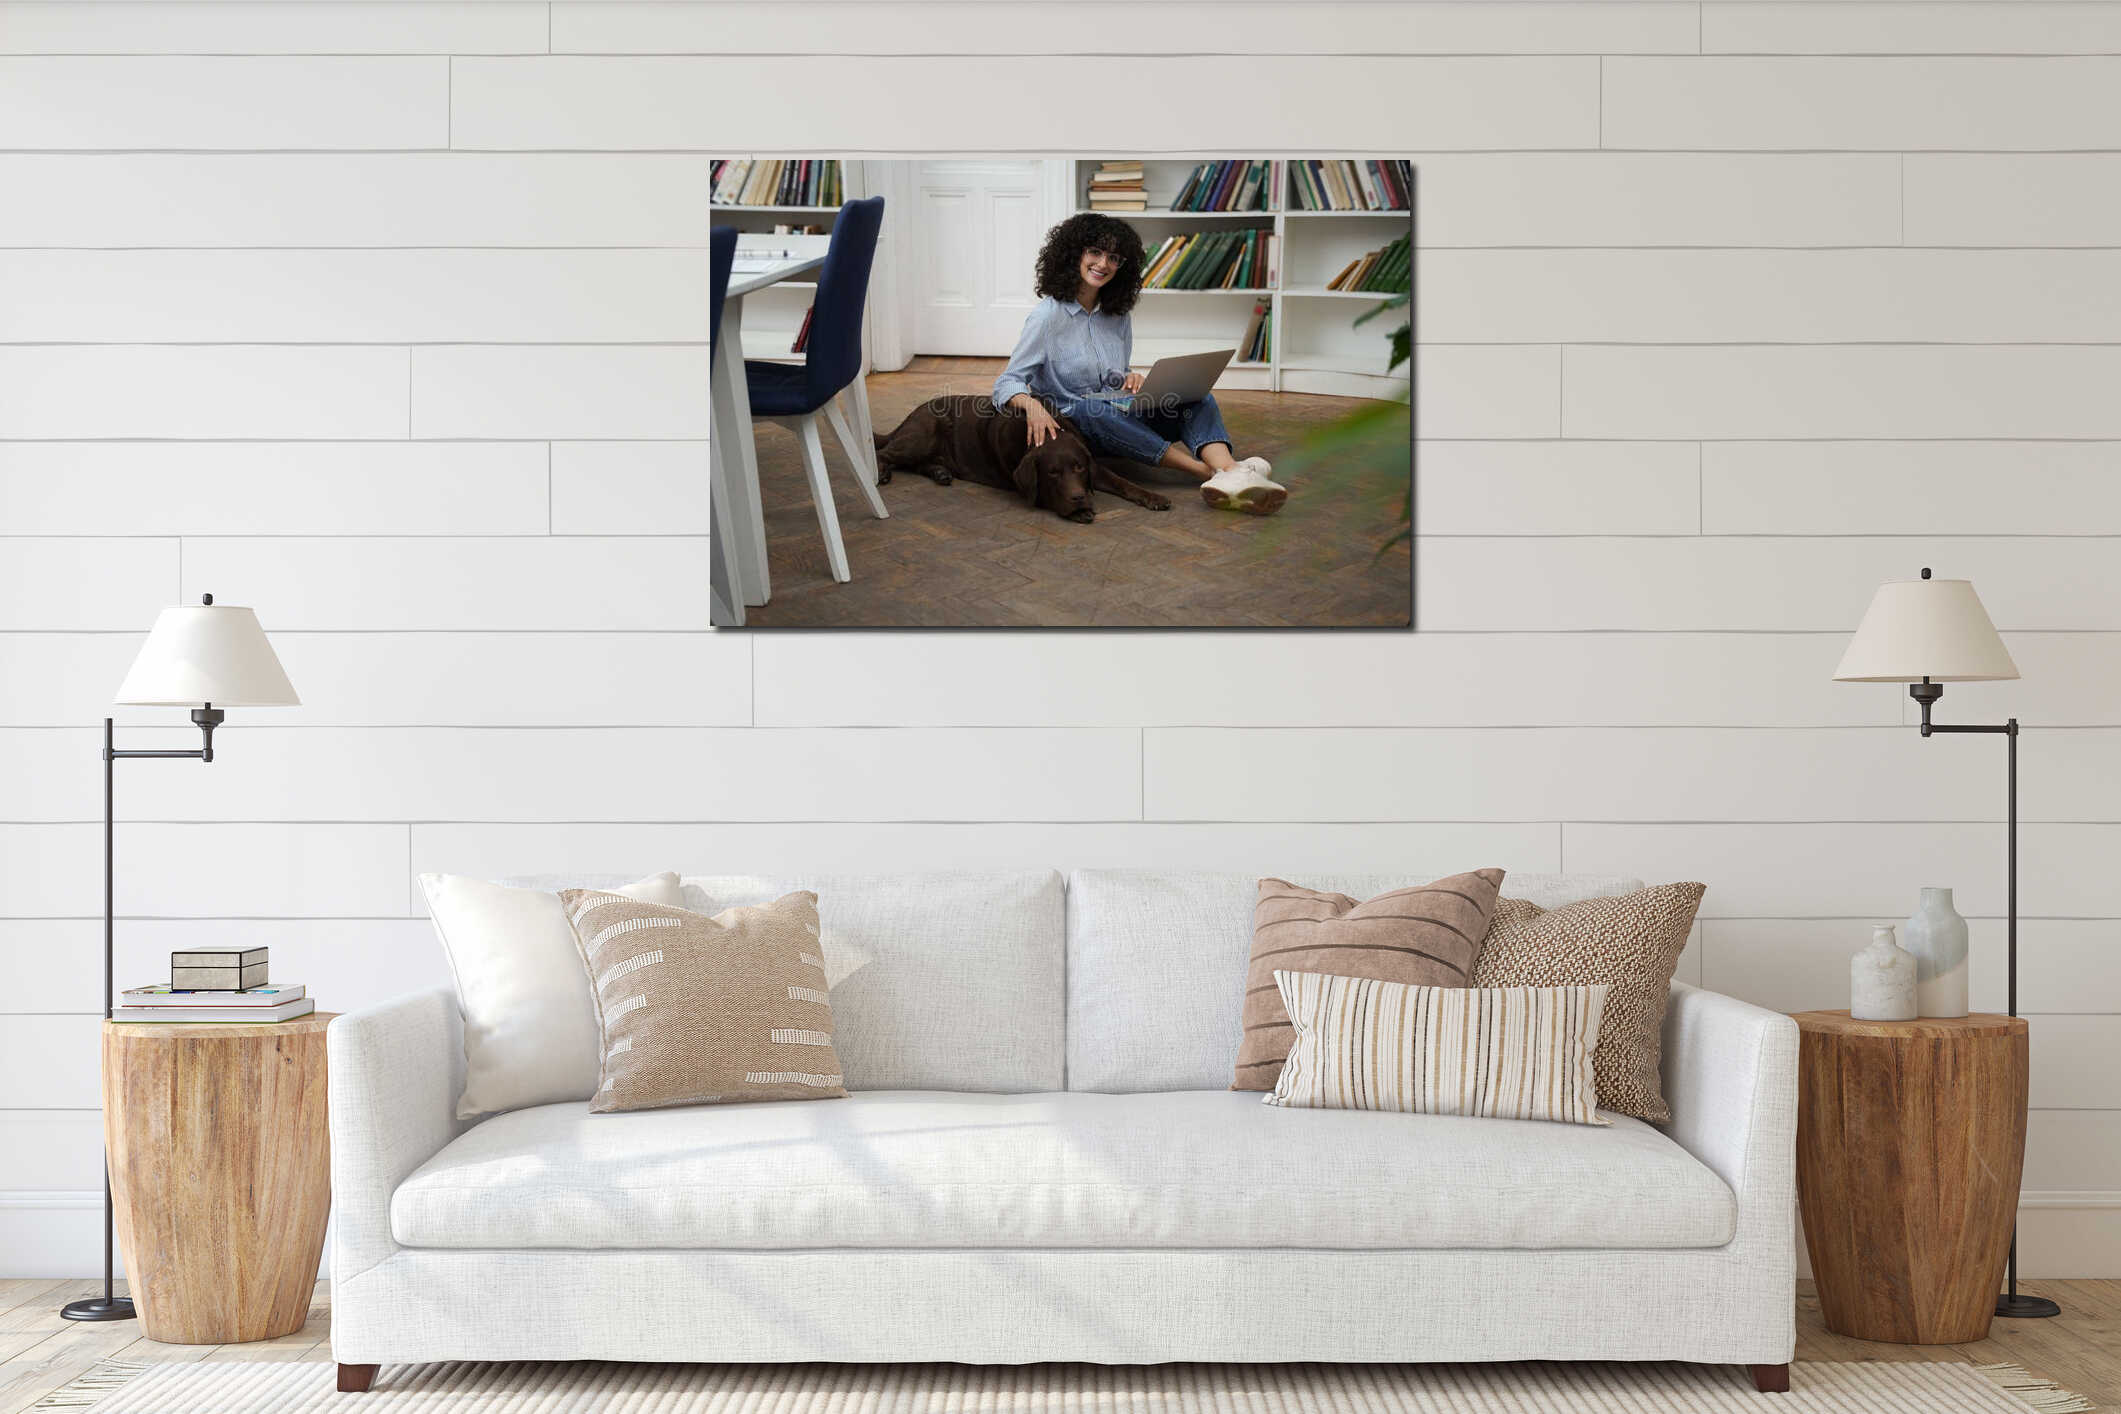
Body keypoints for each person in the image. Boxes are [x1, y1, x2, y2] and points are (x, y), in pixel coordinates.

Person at [992, 213, 1286, 515]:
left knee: (1197, 397)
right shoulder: (1046, 317)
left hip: (1118, 411)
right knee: (1089, 409)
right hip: (1080, 423)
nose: (1103, 264)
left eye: (1114, 258)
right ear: (1074, 254)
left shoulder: (1117, 316)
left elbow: (1115, 375)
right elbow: (1007, 382)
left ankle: (1230, 470)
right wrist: (1031, 405)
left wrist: (1130, 378)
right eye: (1095, 252)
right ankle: (1207, 473)